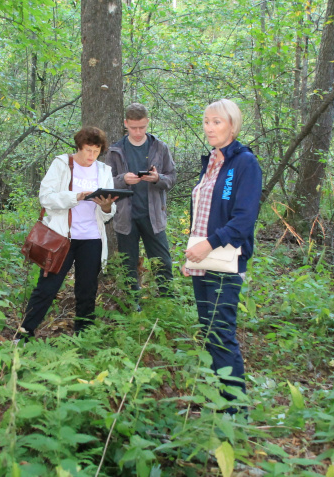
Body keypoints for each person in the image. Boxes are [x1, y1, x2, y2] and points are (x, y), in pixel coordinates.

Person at [183, 99, 262, 412]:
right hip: (203, 258)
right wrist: (193, 255)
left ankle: (235, 410)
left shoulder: (244, 163)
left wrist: (208, 245)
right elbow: (203, 214)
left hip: (226, 259)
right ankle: (218, 400)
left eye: (217, 121)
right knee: (208, 331)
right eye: (206, 121)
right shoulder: (212, 161)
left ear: (233, 125)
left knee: (221, 333)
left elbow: (243, 219)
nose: (209, 127)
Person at [16, 127, 118, 342]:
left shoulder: (103, 170)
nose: (91, 155)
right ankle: (23, 335)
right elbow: (46, 197)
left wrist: (106, 206)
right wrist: (76, 197)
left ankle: (83, 337)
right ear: (79, 147)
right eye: (88, 150)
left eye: (96, 151)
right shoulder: (62, 164)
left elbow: (108, 214)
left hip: (92, 237)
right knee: (47, 288)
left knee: (87, 290)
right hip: (62, 237)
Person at [105, 103, 176, 298]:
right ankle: (132, 304)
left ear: (148, 123)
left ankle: (168, 303)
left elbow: (171, 178)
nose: (138, 132)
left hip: (154, 216)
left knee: (162, 262)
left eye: (142, 127)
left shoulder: (159, 147)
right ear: (125, 123)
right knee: (128, 264)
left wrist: (157, 178)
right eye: (133, 127)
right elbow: (105, 182)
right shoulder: (115, 150)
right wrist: (123, 180)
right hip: (126, 217)